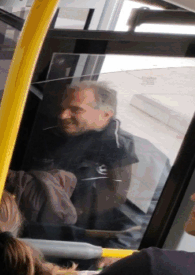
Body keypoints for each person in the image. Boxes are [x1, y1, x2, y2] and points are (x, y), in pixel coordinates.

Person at [22, 81, 139, 237]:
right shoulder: (51, 132)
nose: (63, 115)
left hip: (78, 228)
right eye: (63, 108)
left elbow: (117, 197)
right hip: (34, 213)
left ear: (105, 114)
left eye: (76, 110)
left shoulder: (118, 146)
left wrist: (74, 211)